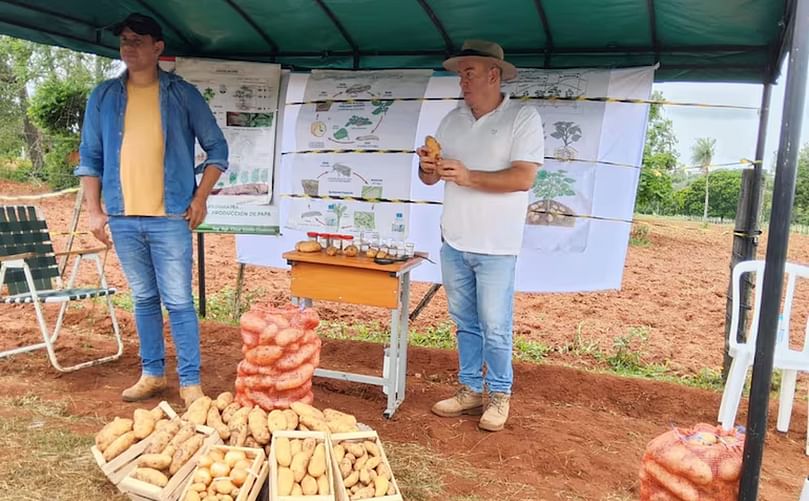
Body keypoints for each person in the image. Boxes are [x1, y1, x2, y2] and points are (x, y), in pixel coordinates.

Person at [75, 13, 228, 407]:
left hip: (171, 217)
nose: (128, 46)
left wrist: (200, 199)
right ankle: (153, 374)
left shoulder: (182, 94)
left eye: (138, 40)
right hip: (123, 218)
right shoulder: (104, 97)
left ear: (158, 48)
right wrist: (94, 212)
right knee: (143, 298)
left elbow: (218, 150)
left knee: (177, 300)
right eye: (124, 39)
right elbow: (90, 157)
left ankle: (190, 382)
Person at [417, 40, 544, 431]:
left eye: (468, 72)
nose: (462, 81)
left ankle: (500, 394)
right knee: (465, 322)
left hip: (496, 246)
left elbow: (524, 178)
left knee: (495, 325)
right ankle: (471, 390)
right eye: (460, 73)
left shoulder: (522, 117)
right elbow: (428, 180)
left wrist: (469, 176)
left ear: (494, 75)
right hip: (454, 240)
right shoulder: (451, 119)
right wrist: (427, 167)